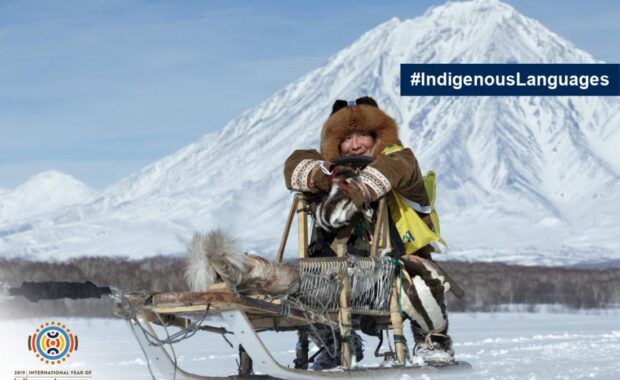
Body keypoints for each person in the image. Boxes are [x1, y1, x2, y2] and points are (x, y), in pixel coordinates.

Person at [283, 97, 454, 369]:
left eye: (363, 135)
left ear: (377, 136)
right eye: (347, 137)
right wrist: (328, 178)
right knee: (304, 287)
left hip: (396, 268)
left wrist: (355, 190)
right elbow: (294, 165)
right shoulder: (328, 168)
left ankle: (433, 341)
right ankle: (335, 345)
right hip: (340, 270)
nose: (356, 144)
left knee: (423, 284)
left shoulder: (401, 158)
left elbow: (396, 166)